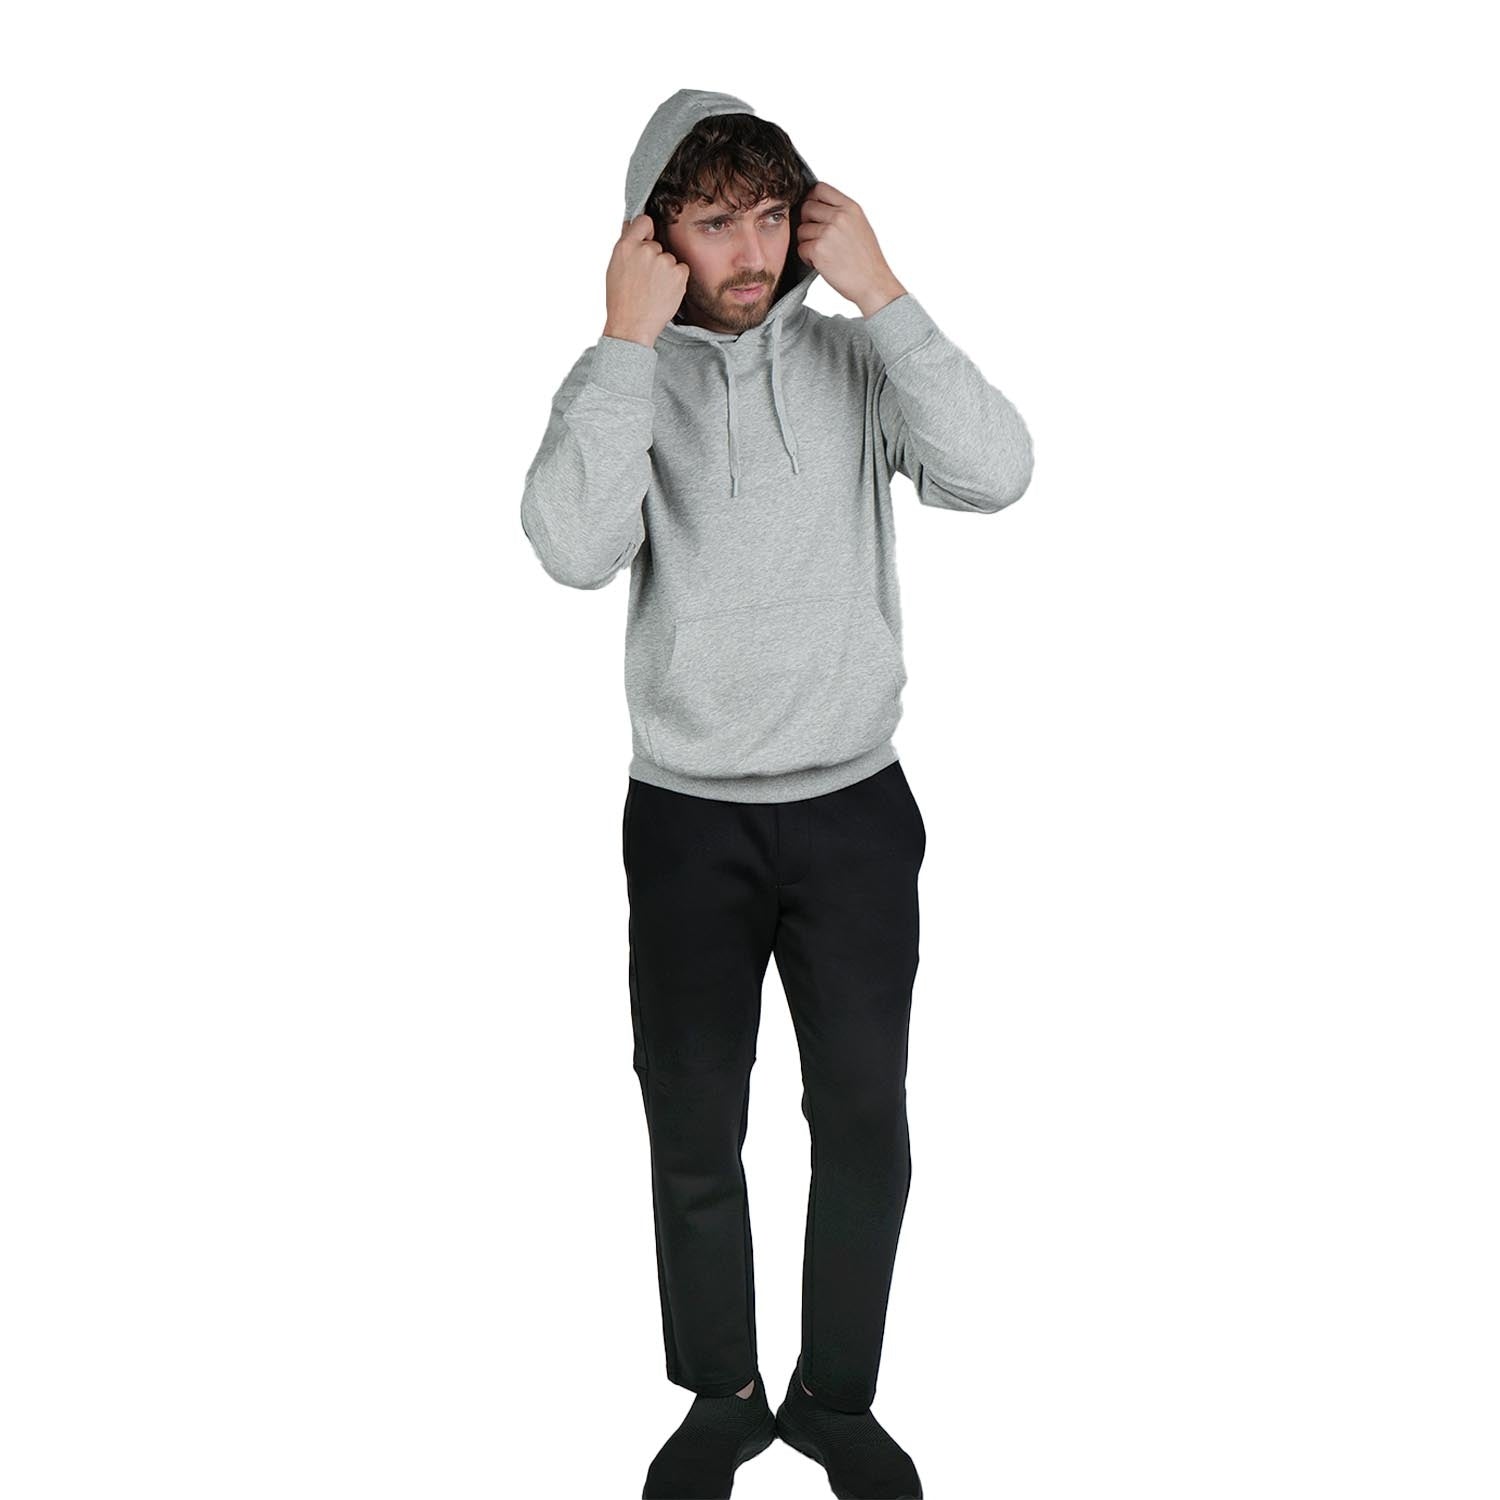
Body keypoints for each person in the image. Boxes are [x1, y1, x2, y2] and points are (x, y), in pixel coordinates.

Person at [521, 87, 1034, 1500]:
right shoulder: (621, 376)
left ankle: (832, 1398)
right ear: (656, 239)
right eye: (711, 223)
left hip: (855, 810)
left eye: (767, 215)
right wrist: (622, 342)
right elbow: (570, 548)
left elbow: (998, 471)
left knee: (864, 1122)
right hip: (687, 818)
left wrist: (888, 294)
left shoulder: (857, 361)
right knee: (694, 1124)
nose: (749, 252)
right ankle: (725, 1396)